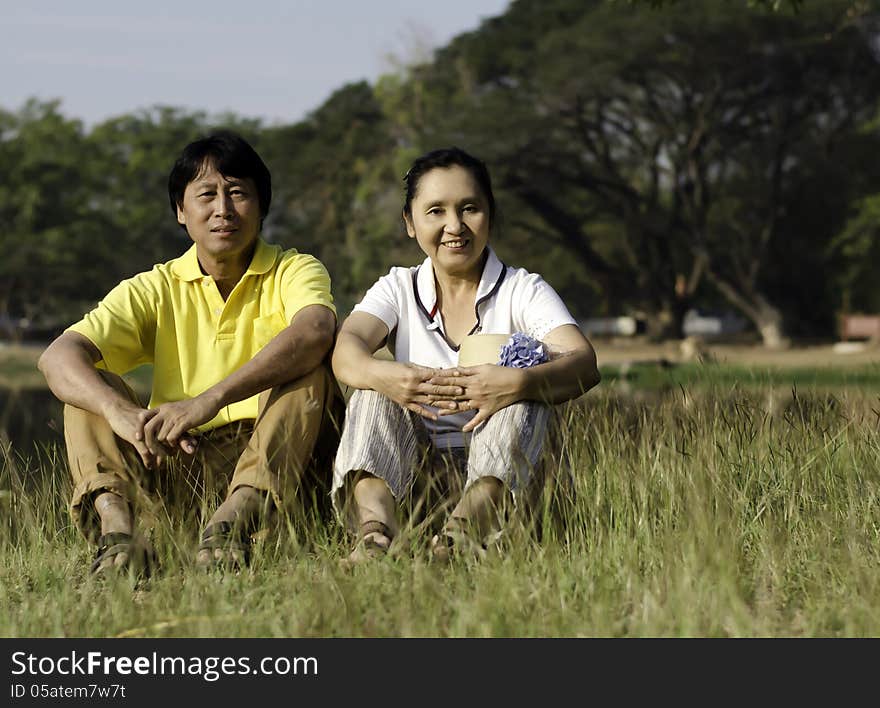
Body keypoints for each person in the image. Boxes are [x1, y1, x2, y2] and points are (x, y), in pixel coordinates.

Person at [38, 131, 343, 575]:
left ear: (262, 206)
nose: (223, 209)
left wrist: (208, 400)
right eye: (206, 195)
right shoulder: (155, 287)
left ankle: (234, 523)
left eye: (238, 193)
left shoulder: (293, 269)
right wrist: (119, 411)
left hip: (272, 462)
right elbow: (56, 356)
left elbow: (316, 330)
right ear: (182, 211)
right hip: (178, 461)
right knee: (88, 388)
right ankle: (120, 539)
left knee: (308, 373)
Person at [331, 146, 600, 564]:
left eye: (469, 208)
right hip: (418, 484)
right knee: (370, 388)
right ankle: (376, 537)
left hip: (508, 492)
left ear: (490, 215)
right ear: (410, 222)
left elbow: (584, 363)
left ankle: (460, 536)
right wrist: (389, 378)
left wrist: (517, 382)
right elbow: (346, 352)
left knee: (523, 394)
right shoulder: (398, 288)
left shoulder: (522, 289)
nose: (454, 226)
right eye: (435, 211)